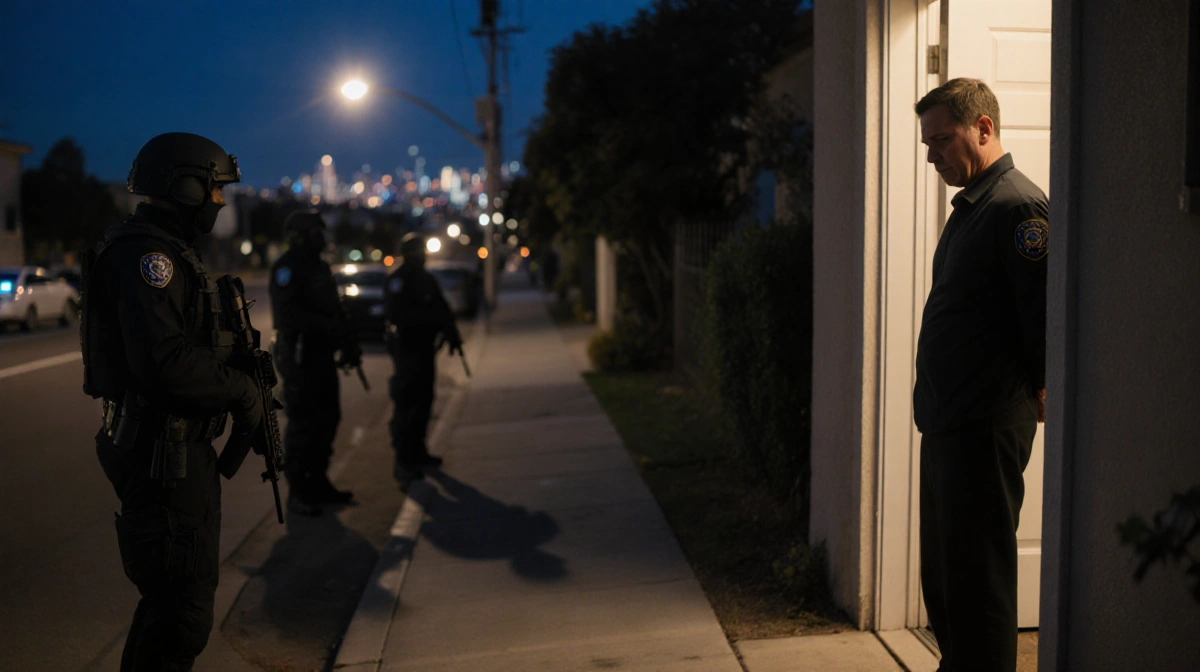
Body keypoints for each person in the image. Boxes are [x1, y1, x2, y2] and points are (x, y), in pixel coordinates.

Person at [83, 132, 263, 671]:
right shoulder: (147, 257)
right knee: (180, 614)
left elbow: (190, 344)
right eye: (213, 191)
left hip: (181, 453)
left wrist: (240, 367)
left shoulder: (169, 251)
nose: (219, 202)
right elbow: (163, 360)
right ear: (183, 186)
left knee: (172, 609)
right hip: (162, 455)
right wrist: (239, 390)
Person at [912, 78, 1048, 672]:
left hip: (985, 422)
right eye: (928, 142)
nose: (931, 154)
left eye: (942, 140)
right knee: (947, 576)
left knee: (979, 576)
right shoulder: (974, 206)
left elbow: (1041, 317)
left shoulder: (1017, 207)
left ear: (984, 129)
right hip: (949, 419)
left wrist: (1044, 389)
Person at [268, 209, 361, 516]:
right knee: (304, 425)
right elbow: (288, 317)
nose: (320, 237)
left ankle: (319, 482)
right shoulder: (287, 268)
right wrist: (327, 326)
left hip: (321, 356)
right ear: (298, 236)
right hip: (299, 356)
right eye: (313, 232)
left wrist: (346, 343)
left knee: (328, 420)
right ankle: (299, 492)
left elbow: (335, 310)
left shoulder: (320, 267)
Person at [384, 232, 463, 479]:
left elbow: (442, 309)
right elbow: (399, 316)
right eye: (418, 252)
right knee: (407, 405)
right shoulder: (399, 280)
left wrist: (451, 334)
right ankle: (404, 460)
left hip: (425, 350)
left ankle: (418, 452)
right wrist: (432, 321)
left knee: (424, 401)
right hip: (407, 351)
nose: (422, 257)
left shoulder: (426, 279)